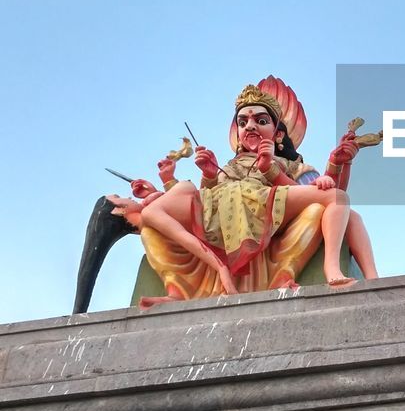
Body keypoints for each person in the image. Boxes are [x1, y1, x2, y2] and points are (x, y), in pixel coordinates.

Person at [110, 81, 378, 307]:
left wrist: (283, 169)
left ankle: (335, 271)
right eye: (243, 121)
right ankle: (178, 291)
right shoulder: (227, 169)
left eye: (260, 121)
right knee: (151, 224)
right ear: (236, 132)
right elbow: (203, 208)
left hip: (270, 209)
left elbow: (326, 193)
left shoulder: (293, 165)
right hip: (222, 225)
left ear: (278, 134)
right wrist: (202, 175)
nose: (249, 126)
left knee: (332, 208)